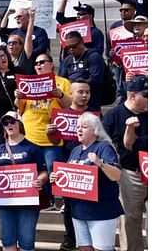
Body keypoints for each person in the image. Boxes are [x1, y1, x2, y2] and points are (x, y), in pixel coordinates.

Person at [51, 112, 123, 251]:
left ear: (95, 130)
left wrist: (100, 163)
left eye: (84, 127)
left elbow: (117, 175)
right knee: (84, 248)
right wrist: (57, 177)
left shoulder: (103, 147)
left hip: (101, 211)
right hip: (79, 211)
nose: (79, 129)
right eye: (78, 127)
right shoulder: (76, 150)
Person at [14, 53, 71, 210]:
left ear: (52, 64)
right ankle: (40, 200)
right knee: (32, 170)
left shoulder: (62, 82)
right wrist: (18, 96)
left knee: (53, 168)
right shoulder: (28, 82)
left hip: (52, 136)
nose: (39, 65)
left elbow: (69, 106)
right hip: (31, 135)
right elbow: (20, 108)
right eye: (36, 63)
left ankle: (56, 201)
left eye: (42, 62)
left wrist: (59, 94)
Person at [0, 112, 48, 251]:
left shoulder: (33, 148)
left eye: (12, 121)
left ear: (20, 124)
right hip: (5, 201)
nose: (9, 125)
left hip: (27, 202)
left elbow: (44, 172)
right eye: (5, 123)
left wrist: (40, 180)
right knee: (7, 241)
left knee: (26, 242)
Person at [46, 79, 96, 251]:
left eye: (87, 92)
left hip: (91, 165)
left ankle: (90, 239)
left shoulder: (95, 115)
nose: (84, 95)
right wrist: (50, 133)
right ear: (71, 94)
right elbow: (55, 141)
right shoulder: (61, 114)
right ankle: (70, 238)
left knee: (89, 206)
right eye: (80, 92)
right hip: (68, 162)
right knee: (69, 206)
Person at [102, 75, 148, 251]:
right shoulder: (114, 115)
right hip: (130, 173)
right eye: (147, 95)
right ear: (133, 96)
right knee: (129, 219)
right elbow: (104, 144)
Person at [59, 31, 105, 110]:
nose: (71, 49)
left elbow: (96, 79)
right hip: (72, 101)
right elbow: (62, 79)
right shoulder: (68, 59)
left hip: (90, 101)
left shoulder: (93, 57)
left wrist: (77, 85)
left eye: (74, 46)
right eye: (68, 47)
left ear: (82, 42)